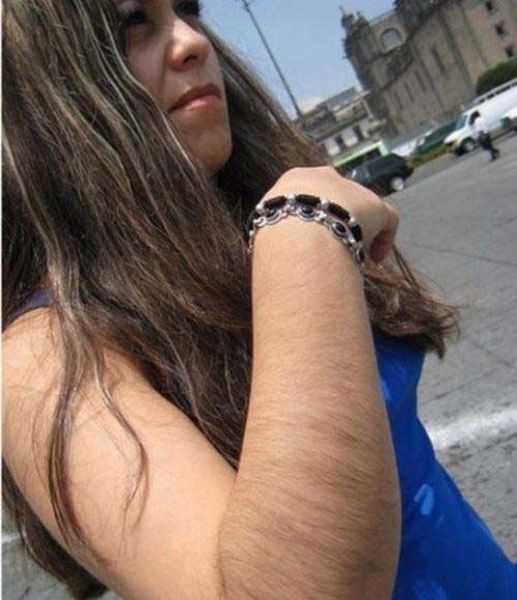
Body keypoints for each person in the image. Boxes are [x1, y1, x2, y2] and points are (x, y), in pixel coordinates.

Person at [2, 2, 516, 599]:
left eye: (188, 10)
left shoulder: (233, 229)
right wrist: (301, 226)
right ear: (41, 92)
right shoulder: (41, 359)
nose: (192, 41)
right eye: (130, 23)